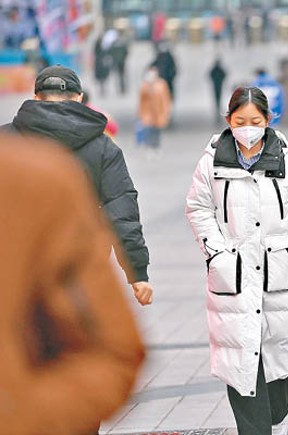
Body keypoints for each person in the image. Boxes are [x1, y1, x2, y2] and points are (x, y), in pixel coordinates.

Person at [185, 86, 288, 435]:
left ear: (268, 120)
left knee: (280, 365)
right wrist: (216, 251)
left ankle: (271, 415)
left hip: (278, 272)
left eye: (255, 120)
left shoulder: (287, 160)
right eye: (239, 120)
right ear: (228, 120)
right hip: (233, 274)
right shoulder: (212, 161)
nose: (247, 127)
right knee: (240, 360)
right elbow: (198, 207)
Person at [0, 134, 145, 434]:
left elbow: (111, 354)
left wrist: (18, 416)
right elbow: (123, 209)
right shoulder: (38, 172)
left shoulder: (28, 178)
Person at [3, 65, 154, 308]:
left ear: (36, 97)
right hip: (79, 272)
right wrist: (137, 274)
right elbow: (121, 211)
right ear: (80, 98)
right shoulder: (103, 148)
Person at [137, 65, 172, 153]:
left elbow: (165, 98)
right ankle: (149, 146)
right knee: (148, 130)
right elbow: (142, 99)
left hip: (158, 112)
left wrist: (166, 111)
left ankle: (156, 146)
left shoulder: (161, 84)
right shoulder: (145, 85)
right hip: (147, 112)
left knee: (157, 131)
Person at [209, 57, 227, 122]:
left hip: (218, 84)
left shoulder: (217, 69)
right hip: (217, 84)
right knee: (217, 95)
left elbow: (224, 75)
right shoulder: (217, 69)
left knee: (218, 95)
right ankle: (217, 105)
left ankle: (218, 105)